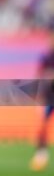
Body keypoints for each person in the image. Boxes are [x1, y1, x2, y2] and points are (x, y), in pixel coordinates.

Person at [30, 34, 54, 171]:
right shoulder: (46, 57)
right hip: (48, 98)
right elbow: (39, 76)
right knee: (43, 126)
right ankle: (40, 155)